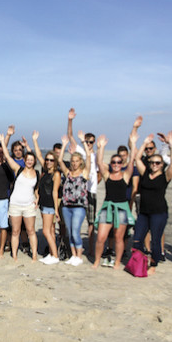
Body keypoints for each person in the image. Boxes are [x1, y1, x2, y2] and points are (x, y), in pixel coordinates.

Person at [92, 127, 138, 270]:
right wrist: (101, 147)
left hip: (122, 208)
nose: (116, 164)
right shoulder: (107, 175)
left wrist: (133, 143)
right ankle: (97, 260)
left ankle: (117, 262)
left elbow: (132, 161)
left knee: (119, 237)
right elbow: (99, 162)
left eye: (119, 162)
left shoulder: (125, 175)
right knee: (101, 237)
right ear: (111, 164)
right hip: (108, 206)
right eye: (114, 162)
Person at [132, 132, 172, 275]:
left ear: (162, 164)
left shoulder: (165, 176)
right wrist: (144, 143)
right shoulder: (145, 173)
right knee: (137, 239)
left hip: (158, 213)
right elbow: (137, 158)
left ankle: (153, 264)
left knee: (156, 240)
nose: (154, 165)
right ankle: (141, 261)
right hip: (144, 213)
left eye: (158, 163)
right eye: (152, 162)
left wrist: (171, 145)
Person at [0, 131, 39, 262]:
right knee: (15, 231)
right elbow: (8, 157)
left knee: (30, 231)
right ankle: (14, 255)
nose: (30, 161)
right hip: (15, 204)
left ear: (33, 161)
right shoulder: (18, 169)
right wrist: (3, 141)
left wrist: (37, 198)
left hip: (29, 205)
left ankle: (34, 255)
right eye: (28, 160)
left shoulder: (37, 173)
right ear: (25, 160)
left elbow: (36, 189)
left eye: (32, 160)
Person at [67, 108, 100, 257]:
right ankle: (75, 248)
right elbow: (70, 135)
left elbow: (99, 173)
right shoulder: (80, 150)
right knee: (75, 221)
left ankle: (91, 248)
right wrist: (70, 120)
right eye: (87, 141)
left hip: (91, 191)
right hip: (78, 192)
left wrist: (95, 183)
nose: (89, 144)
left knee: (91, 222)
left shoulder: (96, 155)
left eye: (91, 142)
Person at [58, 133, 92, 266]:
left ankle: (79, 256)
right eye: (73, 161)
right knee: (70, 231)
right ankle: (73, 255)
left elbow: (88, 156)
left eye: (77, 161)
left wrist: (83, 141)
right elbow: (60, 161)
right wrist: (64, 146)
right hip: (66, 206)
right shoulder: (68, 173)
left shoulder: (84, 173)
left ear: (80, 162)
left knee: (76, 231)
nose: (74, 163)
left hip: (79, 207)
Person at [33, 131, 62, 265]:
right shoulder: (45, 171)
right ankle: (52, 253)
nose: (49, 162)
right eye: (47, 159)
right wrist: (35, 141)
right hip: (44, 204)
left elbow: (55, 192)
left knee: (45, 230)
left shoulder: (56, 174)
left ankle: (55, 256)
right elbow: (38, 155)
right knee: (50, 230)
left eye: (51, 160)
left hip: (50, 205)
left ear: (55, 161)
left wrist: (56, 210)